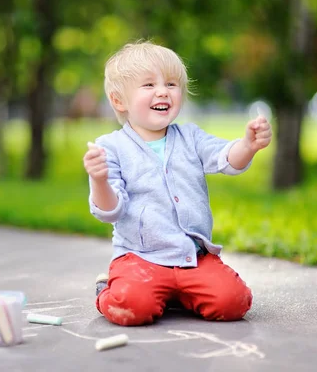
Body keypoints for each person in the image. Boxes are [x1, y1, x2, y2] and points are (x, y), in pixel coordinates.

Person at [83, 41, 272, 326]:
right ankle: (108, 288)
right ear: (119, 101)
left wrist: (248, 145)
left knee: (233, 302)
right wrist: (99, 181)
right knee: (131, 307)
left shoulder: (190, 137)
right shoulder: (111, 147)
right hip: (140, 259)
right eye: (148, 85)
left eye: (171, 84)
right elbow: (111, 210)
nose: (163, 91)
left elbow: (226, 159)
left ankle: (176, 293)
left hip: (192, 258)